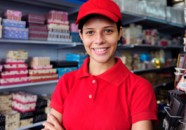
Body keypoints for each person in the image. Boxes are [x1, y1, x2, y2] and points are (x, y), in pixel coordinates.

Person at [42, 0, 158, 130]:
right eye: (90, 32)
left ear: (119, 33)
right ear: (81, 35)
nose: (99, 40)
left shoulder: (139, 88)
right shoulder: (66, 82)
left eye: (108, 31)